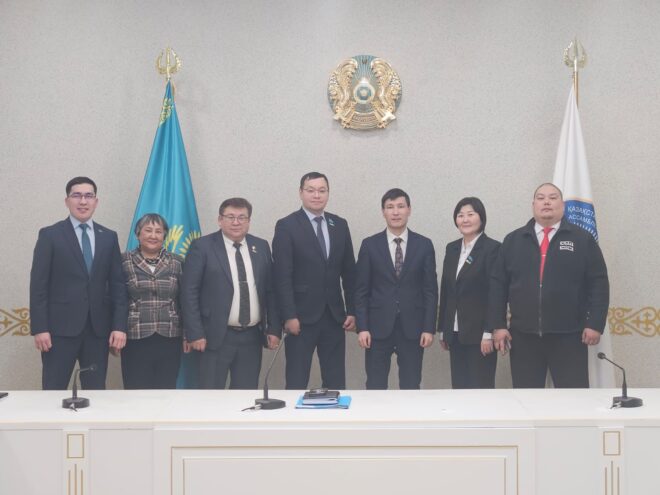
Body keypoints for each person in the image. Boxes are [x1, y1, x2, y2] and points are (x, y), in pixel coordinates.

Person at [489, 183, 609, 388]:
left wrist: (595, 323)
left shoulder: (582, 239)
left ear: (562, 205)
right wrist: (498, 325)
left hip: (570, 336)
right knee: (526, 399)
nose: (546, 202)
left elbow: (599, 283)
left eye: (553, 198)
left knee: (573, 398)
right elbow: (498, 286)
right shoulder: (513, 240)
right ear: (533, 204)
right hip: (523, 336)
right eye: (541, 198)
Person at [29, 176, 127, 390]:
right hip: (58, 331)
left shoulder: (108, 237)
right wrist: (40, 328)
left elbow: (118, 286)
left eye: (88, 196)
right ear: (67, 201)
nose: (83, 201)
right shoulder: (50, 235)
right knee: (53, 389)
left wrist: (119, 326)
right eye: (77, 195)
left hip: (97, 330)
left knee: (96, 390)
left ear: (96, 201)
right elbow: (38, 286)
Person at [181, 198, 280, 389]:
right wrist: (195, 333)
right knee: (211, 394)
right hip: (214, 336)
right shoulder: (202, 246)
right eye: (230, 217)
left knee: (245, 395)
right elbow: (189, 292)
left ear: (249, 221)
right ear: (220, 220)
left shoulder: (261, 246)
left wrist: (274, 328)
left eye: (242, 217)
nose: (236, 222)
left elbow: (270, 290)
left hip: (252, 337)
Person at [272, 172, 356, 390]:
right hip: (300, 318)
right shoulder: (287, 225)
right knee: (297, 380)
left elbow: (349, 272)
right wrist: (289, 315)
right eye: (311, 190)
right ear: (301, 193)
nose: (316, 195)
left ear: (328, 193)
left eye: (322, 190)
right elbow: (282, 276)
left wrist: (352, 310)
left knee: (335, 381)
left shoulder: (339, 224)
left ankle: (334, 412)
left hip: (334, 317)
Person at [354, 189, 438, 389]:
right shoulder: (369, 245)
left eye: (400, 206)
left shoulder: (424, 245)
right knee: (375, 384)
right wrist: (362, 327)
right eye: (390, 207)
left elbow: (430, 290)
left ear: (409, 210)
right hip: (377, 328)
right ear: (383, 212)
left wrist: (428, 328)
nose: (395, 212)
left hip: (412, 328)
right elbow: (361, 290)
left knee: (411, 384)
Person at [437, 197, 500, 388]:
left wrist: (489, 332)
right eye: (460, 215)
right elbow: (446, 290)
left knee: (480, 388)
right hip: (455, 333)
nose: (465, 219)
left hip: (480, 335)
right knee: (460, 388)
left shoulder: (492, 248)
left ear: (481, 218)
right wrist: (443, 329)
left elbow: (495, 294)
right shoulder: (452, 248)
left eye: (470, 214)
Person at [121, 213, 187, 389]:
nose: (153, 235)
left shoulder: (177, 262)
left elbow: (185, 300)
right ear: (138, 234)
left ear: (164, 236)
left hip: (170, 336)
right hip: (135, 336)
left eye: (158, 231)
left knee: (166, 390)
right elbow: (117, 300)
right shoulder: (124, 261)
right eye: (148, 230)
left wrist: (188, 334)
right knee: (136, 389)